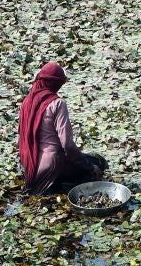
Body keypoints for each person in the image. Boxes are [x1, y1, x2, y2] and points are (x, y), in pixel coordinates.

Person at [18, 62, 105, 194]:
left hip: (29, 166)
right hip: (51, 167)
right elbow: (68, 146)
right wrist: (90, 167)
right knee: (97, 161)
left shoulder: (26, 102)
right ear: (56, 84)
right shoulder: (57, 104)